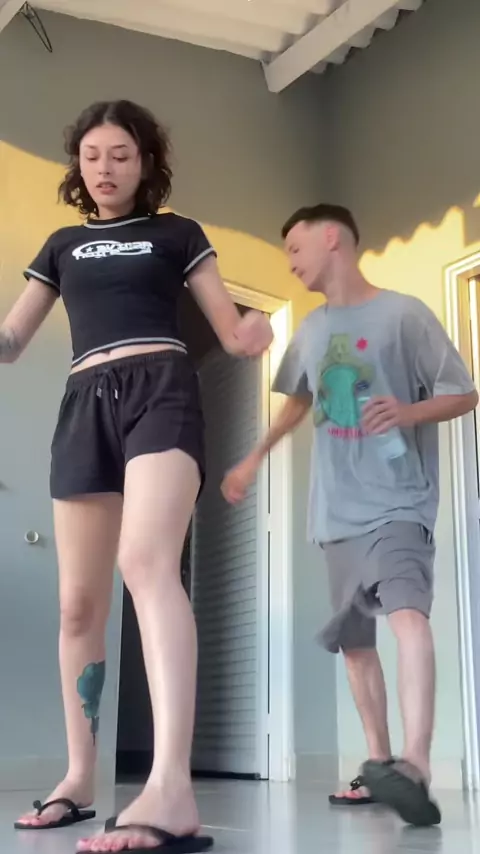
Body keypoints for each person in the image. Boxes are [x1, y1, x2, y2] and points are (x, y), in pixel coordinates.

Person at [6, 99, 273, 854]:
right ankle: (80, 778)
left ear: (145, 163)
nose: (104, 168)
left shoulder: (177, 233)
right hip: (83, 401)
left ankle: (171, 786)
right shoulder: (61, 245)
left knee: (148, 562)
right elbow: (13, 338)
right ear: (77, 165)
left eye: (120, 155)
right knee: (77, 607)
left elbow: (228, 328)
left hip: (161, 388)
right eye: (92, 155)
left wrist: (251, 333)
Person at [221, 203, 478, 828]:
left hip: (398, 500)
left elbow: (464, 391)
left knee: (408, 617)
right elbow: (296, 403)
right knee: (355, 643)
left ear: (331, 237)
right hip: (334, 511)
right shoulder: (310, 330)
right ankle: (380, 764)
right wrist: (252, 458)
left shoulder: (404, 314)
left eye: (295, 248)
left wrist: (407, 412)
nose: (290, 262)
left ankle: (416, 763)